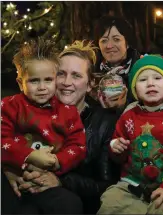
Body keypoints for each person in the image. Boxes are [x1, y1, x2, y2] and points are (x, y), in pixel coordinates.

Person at [4, 40, 120, 214]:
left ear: (90, 85)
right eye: (60, 74)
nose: (66, 82)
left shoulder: (105, 123)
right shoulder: (19, 106)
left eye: (76, 75)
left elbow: (107, 186)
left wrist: (60, 180)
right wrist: (8, 169)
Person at [97, 54, 163, 215]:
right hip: (130, 186)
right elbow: (117, 155)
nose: (150, 83)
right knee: (110, 204)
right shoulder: (128, 116)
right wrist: (116, 148)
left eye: (157, 78)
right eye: (142, 80)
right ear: (134, 89)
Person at [1, 38, 86, 214]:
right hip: (12, 178)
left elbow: (77, 145)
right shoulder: (9, 106)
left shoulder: (67, 111)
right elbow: (2, 139)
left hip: (46, 182)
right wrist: (30, 156)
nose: (42, 87)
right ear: (20, 83)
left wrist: (56, 161)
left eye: (48, 80)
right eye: (34, 81)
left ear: (56, 80)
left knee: (71, 205)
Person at [92, 15, 140, 109]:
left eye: (116, 39)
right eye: (104, 41)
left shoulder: (141, 71)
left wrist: (124, 105)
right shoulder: (92, 73)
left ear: (127, 43)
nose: (109, 46)